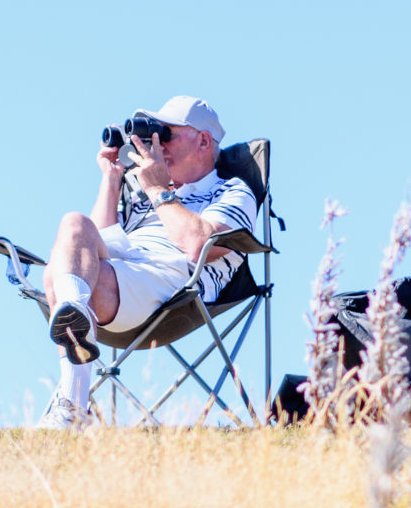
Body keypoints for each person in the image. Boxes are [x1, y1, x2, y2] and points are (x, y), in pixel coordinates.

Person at [36, 96, 258, 429]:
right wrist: (112, 179)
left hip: (176, 284)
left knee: (60, 278)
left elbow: (200, 245)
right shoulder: (140, 193)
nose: (156, 143)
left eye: (166, 133)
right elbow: (96, 242)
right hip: (122, 271)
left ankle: (71, 402)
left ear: (203, 140)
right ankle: (74, 344)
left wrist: (158, 189)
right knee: (73, 226)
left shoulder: (231, 191)